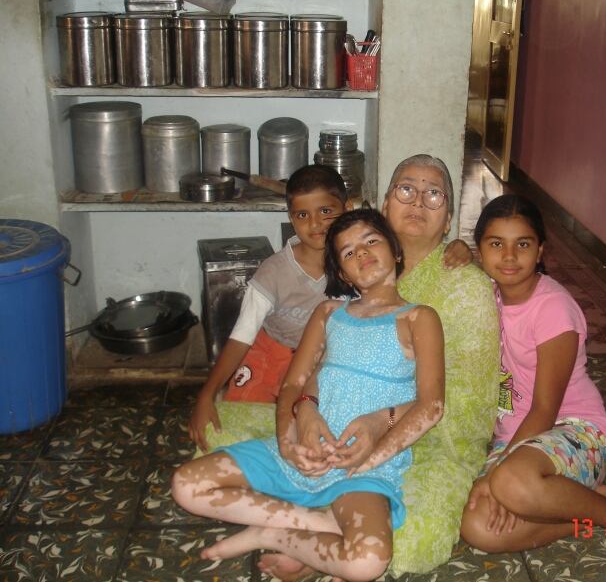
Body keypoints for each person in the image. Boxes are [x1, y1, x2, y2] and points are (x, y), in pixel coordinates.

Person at [199, 154, 500, 578]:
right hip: (331, 417)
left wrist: (386, 426)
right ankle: (318, 529)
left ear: (449, 216)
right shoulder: (355, 267)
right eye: (405, 189)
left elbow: (460, 403)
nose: (417, 201)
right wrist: (304, 410)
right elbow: (320, 367)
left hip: (427, 439)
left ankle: (304, 531)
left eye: (434, 194)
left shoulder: (464, 282)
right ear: (383, 205)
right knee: (219, 434)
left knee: (411, 542)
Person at [172, 209, 445, 582]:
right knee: (186, 486)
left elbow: (432, 405)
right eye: (348, 253)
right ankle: (314, 524)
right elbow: (292, 385)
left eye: (370, 241)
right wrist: (292, 435)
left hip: (365, 468)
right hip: (305, 450)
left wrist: (366, 460)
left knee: (366, 563)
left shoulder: (418, 318)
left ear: (395, 250)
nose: (361, 253)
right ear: (342, 274)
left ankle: (275, 534)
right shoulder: (329, 312)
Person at [459, 195, 606, 582]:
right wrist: (456, 250)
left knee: (509, 485)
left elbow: (544, 411)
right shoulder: (487, 294)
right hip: (521, 443)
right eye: (496, 244)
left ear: (541, 250)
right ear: (481, 251)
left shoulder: (553, 310)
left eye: (522, 244)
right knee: (476, 527)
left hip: (577, 433)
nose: (509, 256)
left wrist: (495, 477)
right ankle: (600, 506)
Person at [188, 165, 351, 452]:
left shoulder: (356, 263)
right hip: (270, 354)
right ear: (291, 218)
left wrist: (459, 248)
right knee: (235, 424)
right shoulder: (272, 272)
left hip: (324, 361)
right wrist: (206, 394)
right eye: (303, 215)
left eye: (326, 211)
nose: (316, 224)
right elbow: (241, 337)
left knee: (320, 430)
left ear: (347, 209)